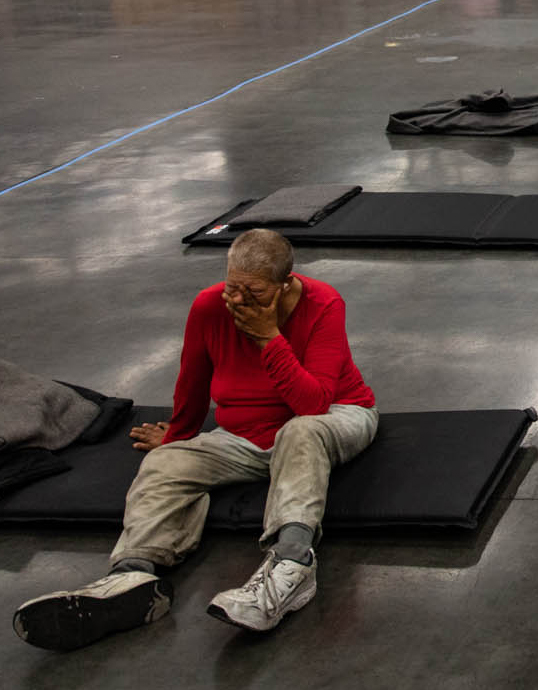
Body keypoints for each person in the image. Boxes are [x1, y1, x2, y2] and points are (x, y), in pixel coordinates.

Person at [12, 230, 378, 650]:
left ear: (286, 283)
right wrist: (179, 433)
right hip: (246, 435)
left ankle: (292, 564)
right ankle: (132, 575)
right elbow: (192, 381)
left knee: (300, 430)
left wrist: (267, 338)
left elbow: (312, 404)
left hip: (334, 416)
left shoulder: (323, 303)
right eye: (232, 287)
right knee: (167, 462)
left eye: (253, 291)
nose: (238, 300)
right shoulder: (209, 305)